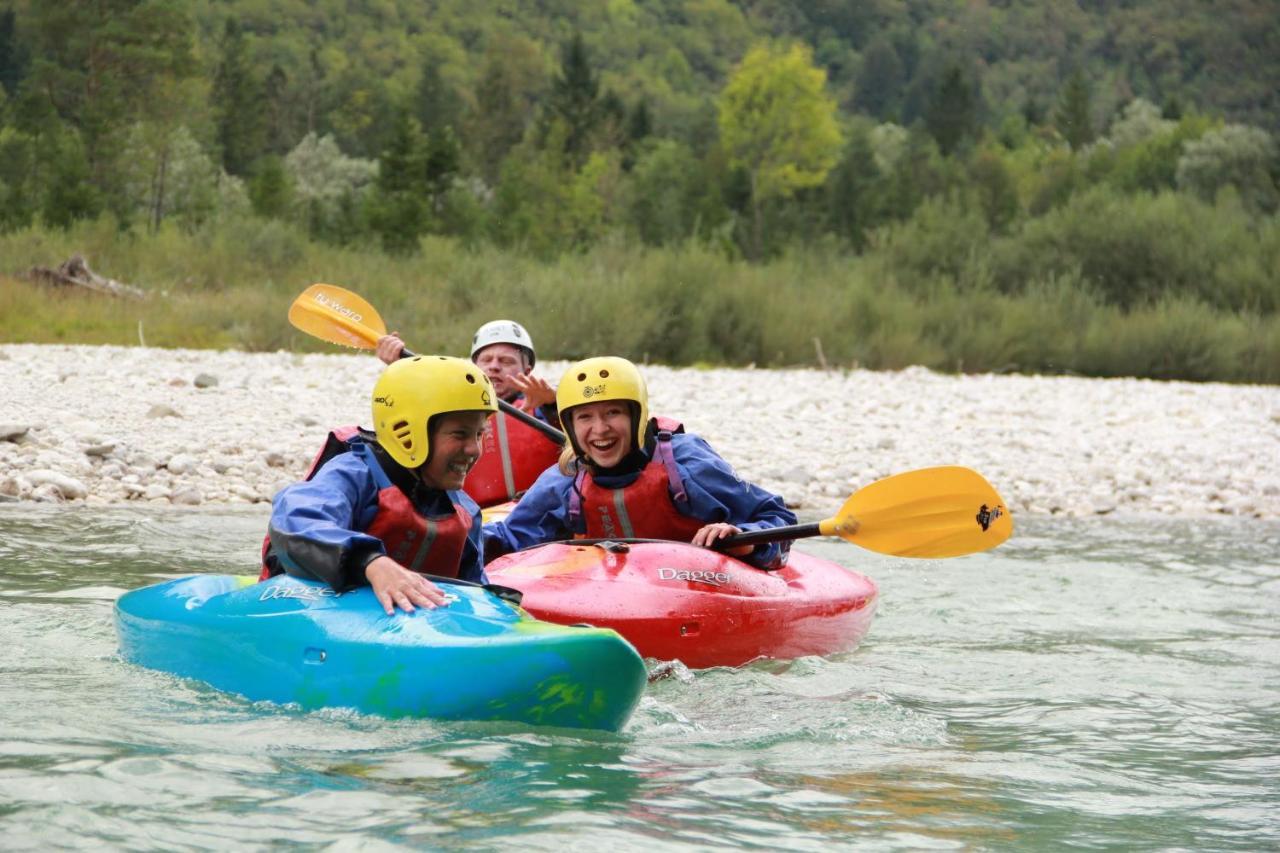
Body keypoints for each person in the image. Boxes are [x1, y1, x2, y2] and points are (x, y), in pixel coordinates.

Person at [483, 356, 797, 570]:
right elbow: (511, 538)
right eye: (585, 417)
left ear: (637, 417)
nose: (600, 429)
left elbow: (777, 516)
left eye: (613, 413)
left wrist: (745, 539)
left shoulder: (686, 462)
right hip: (617, 593)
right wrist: (444, 538)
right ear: (569, 426)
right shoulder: (564, 480)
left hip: (698, 585)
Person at [262, 355, 498, 615]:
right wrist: (371, 562)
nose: (474, 449)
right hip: (309, 613)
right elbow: (295, 518)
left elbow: (473, 592)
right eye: (459, 434)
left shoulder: (465, 511)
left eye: (479, 434)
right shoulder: (353, 474)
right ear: (408, 431)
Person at [377, 320, 562, 506]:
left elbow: (578, 441)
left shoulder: (548, 407)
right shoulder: (448, 406)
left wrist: (554, 405)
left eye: (506, 361)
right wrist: (404, 371)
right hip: (474, 513)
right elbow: (412, 410)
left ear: (527, 371)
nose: (495, 366)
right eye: (486, 360)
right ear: (473, 368)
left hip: (539, 511)